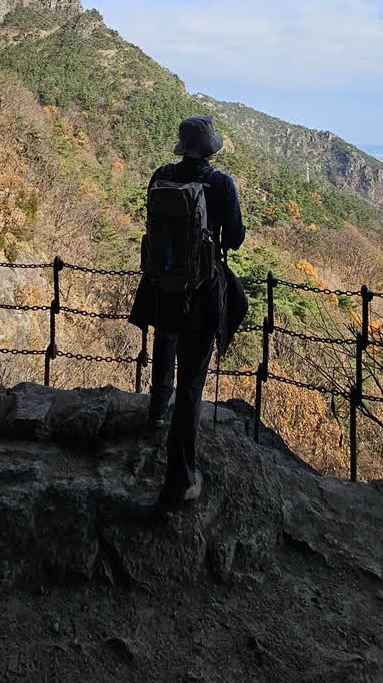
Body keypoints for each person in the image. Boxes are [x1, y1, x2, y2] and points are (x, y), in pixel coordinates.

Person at [129, 114, 245, 509]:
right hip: (202, 293)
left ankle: (155, 411)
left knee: (165, 341)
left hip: (163, 285)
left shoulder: (162, 175)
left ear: (182, 146)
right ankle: (179, 481)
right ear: (209, 149)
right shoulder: (221, 184)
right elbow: (236, 239)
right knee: (192, 383)